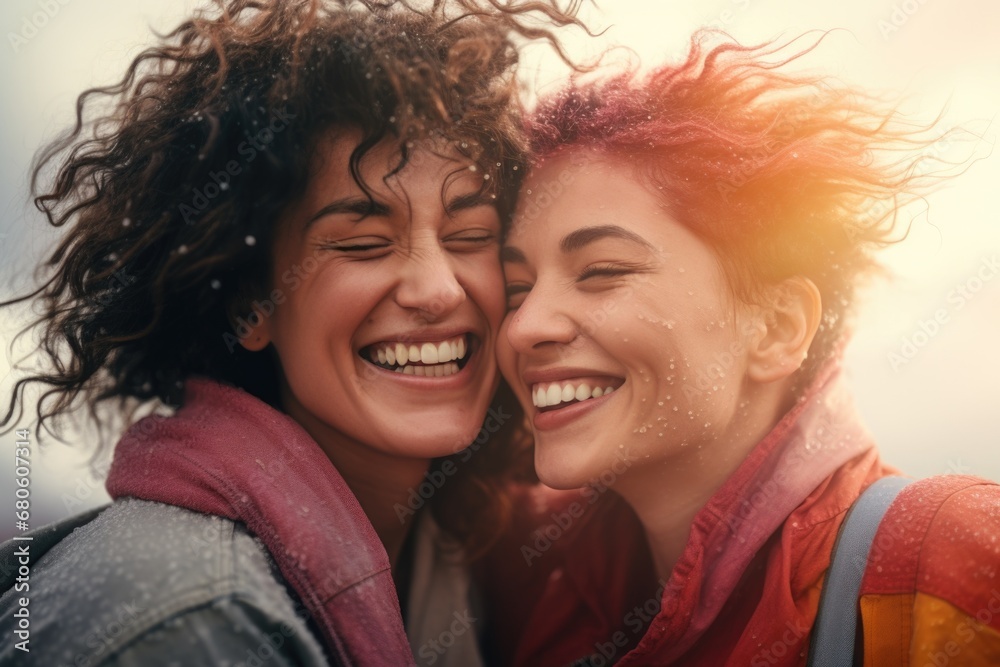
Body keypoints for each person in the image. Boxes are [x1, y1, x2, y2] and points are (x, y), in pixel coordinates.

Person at [0, 1, 583, 665]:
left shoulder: (461, 557)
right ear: (251, 307)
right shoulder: (192, 625)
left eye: (471, 236)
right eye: (364, 242)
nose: (440, 289)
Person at [486, 32, 1000, 666]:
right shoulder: (526, 573)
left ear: (779, 327)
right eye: (516, 288)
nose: (523, 326)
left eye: (601, 271)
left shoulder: (950, 552)